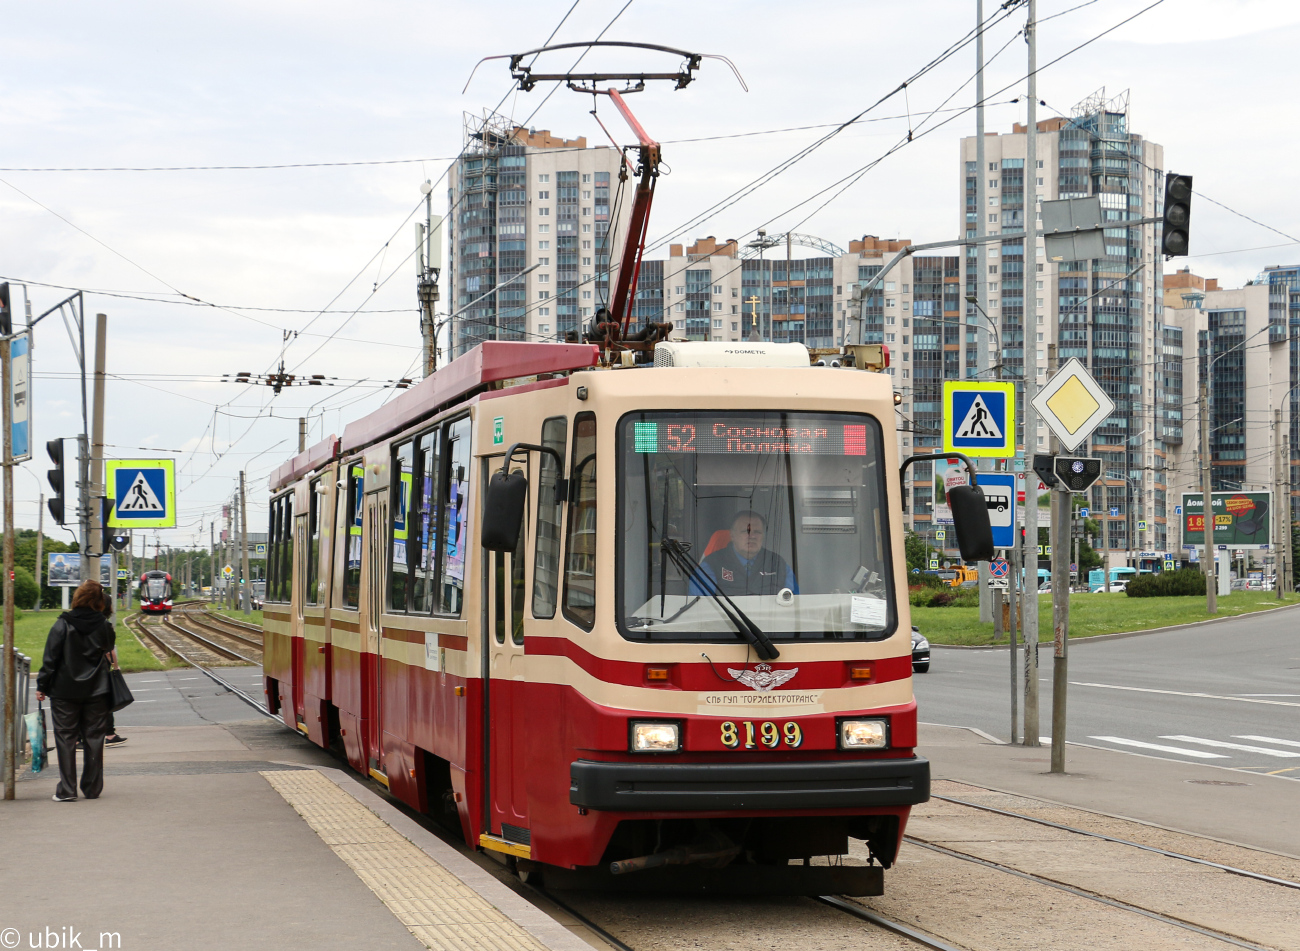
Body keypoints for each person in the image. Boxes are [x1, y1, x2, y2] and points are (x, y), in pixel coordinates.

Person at [35, 580, 117, 801]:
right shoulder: (104, 626)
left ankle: (67, 790)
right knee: (95, 737)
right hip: (97, 691)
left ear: (78, 597)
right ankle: (92, 788)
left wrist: (42, 685)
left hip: (64, 691)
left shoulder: (62, 624)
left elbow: (50, 658)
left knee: (65, 737)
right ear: (99, 602)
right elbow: (108, 648)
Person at [697, 510, 797, 597]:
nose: (752, 536)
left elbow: (795, 603)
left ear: (763, 536)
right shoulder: (711, 565)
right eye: (745, 531)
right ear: (732, 535)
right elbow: (699, 606)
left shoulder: (778, 564)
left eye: (757, 532)